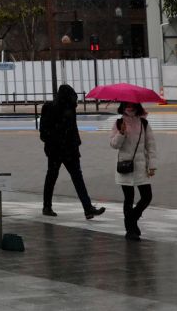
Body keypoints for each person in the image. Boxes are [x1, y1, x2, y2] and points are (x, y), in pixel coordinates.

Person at [39, 84, 105, 219]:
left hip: (57, 151)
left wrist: (53, 141)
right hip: (67, 150)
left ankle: (47, 206)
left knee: (52, 178)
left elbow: (44, 132)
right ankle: (87, 208)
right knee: (76, 179)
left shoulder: (51, 107)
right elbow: (72, 130)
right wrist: (74, 144)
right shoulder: (66, 109)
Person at [110, 101, 156, 240]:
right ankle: (130, 230)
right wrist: (121, 133)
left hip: (141, 166)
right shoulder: (119, 122)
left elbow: (151, 145)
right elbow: (113, 145)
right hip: (125, 166)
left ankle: (131, 220)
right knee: (128, 199)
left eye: (132, 104)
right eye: (126, 104)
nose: (129, 106)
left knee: (147, 197)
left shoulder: (144, 123)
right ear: (123, 106)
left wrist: (152, 165)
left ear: (137, 105)